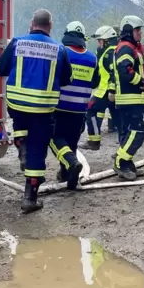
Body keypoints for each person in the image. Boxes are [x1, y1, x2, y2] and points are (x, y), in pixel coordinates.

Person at [0, 9, 72, 213]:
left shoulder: (17, 43)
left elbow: (0, 69)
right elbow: (66, 80)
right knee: (38, 151)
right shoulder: (59, 50)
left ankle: (22, 150)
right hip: (43, 108)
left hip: (17, 104)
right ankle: (30, 198)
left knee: (20, 124)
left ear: (32, 23)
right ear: (50, 25)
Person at [50, 21, 96, 190]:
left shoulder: (61, 53)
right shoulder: (92, 58)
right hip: (79, 110)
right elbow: (96, 81)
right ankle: (69, 179)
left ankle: (71, 164)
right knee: (72, 144)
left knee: (55, 138)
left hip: (60, 108)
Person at [113, 15, 144, 181]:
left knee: (131, 132)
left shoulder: (132, 48)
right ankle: (121, 160)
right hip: (130, 99)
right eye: (137, 30)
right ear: (129, 30)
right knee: (139, 131)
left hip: (134, 99)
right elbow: (124, 69)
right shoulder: (126, 48)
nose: (140, 33)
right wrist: (140, 81)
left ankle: (127, 163)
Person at [82, 26, 118, 151]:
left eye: (100, 40)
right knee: (120, 121)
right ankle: (123, 149)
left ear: (107, 40)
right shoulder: (108, 51)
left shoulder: (111, 52)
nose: (99, 43)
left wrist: (112, 90)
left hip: (107, 92)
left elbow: (114, 72)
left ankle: (94, 141)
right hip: (106, 91)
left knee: (90, 109)